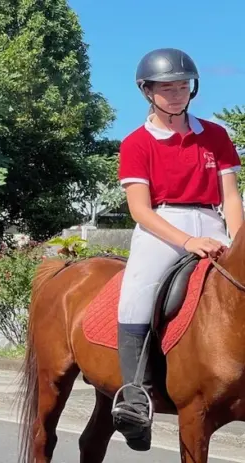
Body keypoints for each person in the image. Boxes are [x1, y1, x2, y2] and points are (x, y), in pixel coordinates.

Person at [112, 48, 244, 451]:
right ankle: (135, 395)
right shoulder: (136, 142)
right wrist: (187, 242)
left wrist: (238, 241)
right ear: (147, 92)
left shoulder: (216, 136)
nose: (176, 95)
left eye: (183, 87)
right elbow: (139, 209)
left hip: (213, 222)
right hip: (162, 226)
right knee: (137, 292)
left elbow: (231, 197)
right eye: (166, 88)